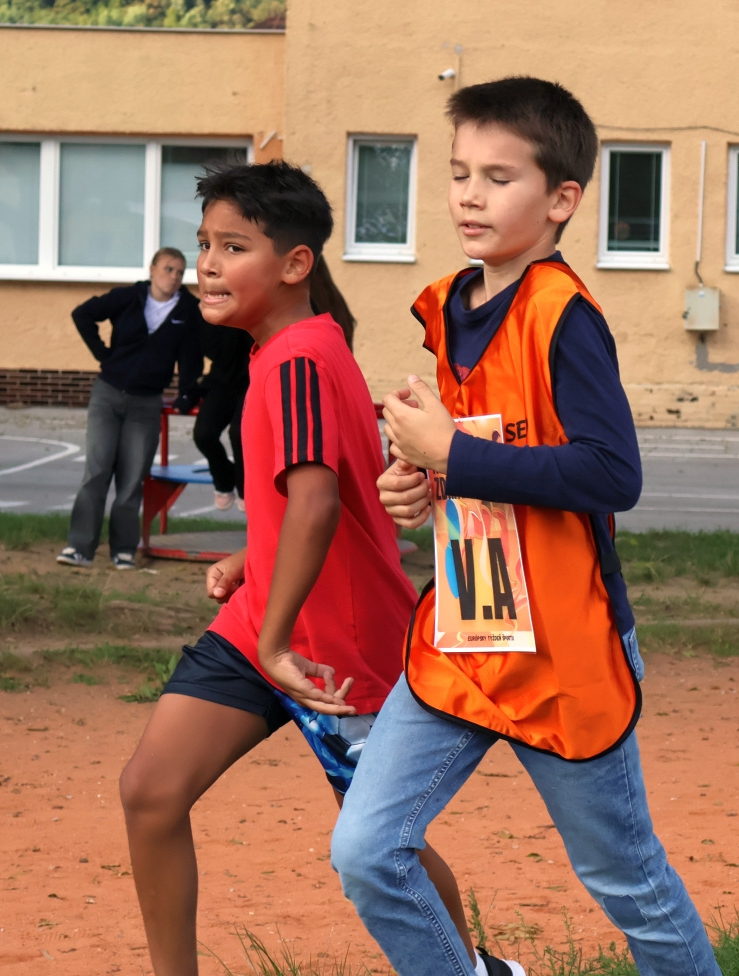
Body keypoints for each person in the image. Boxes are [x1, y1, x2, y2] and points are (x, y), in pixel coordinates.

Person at [334, 77, 721, 976]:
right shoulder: (447, 308)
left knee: (627, 881)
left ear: (561, 200)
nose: (470, 195)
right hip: (465, 632)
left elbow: (611, 475)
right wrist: (419, 479)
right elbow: (485, 446)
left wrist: (454, 456)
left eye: (499, 178)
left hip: (564, 649)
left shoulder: (562, 316)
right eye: (459, 173)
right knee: (366, 848)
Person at [117, 162, 514, 976]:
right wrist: (253, 556)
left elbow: (319, 504)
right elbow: (317, 497)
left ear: (295, 264)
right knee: (151, 791)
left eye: (234, 247)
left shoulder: (299, 358)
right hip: (266, 625)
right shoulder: (293, 349)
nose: (209, 266)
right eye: (204, 246)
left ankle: (476, 972)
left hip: (334, 646)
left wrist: (274, 638)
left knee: (383, 846)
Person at [59, 247, 203, 570]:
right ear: (152, 269)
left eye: (180, 272)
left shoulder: (188, 311)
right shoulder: (127, 297)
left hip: (146, 403)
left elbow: (191, 358)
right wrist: (103, 355)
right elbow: (83, 314)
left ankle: (124, 549)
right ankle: (79, 548)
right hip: (107, 395)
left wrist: (187, 394)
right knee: (97, 471)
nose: (174, 277)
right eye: (168, 269)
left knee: (133, 477)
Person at [193, 320, 252, 510]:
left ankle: (245, 489)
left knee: (239, 433)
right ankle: (225, 479)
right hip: (221, 380)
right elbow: (210, 349)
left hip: (254, 379)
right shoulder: (211, 311)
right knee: (204, 434)